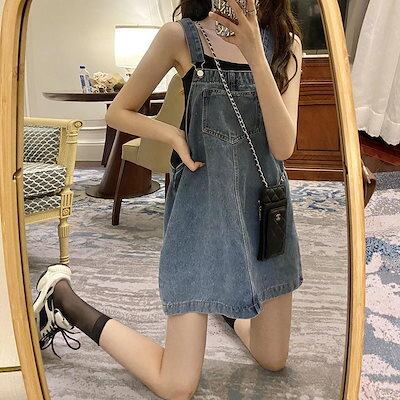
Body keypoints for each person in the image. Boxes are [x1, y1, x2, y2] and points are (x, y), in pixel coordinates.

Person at [33, 1, 303, 398]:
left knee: (273, 358)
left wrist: (255, 55)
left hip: (265, 211)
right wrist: (172, 134)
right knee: (176, 385)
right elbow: (118, 111)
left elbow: (283, 147)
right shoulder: (181, 36)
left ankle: (226, 310)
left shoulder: (285, 43)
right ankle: (64, 298)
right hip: (202, 210)